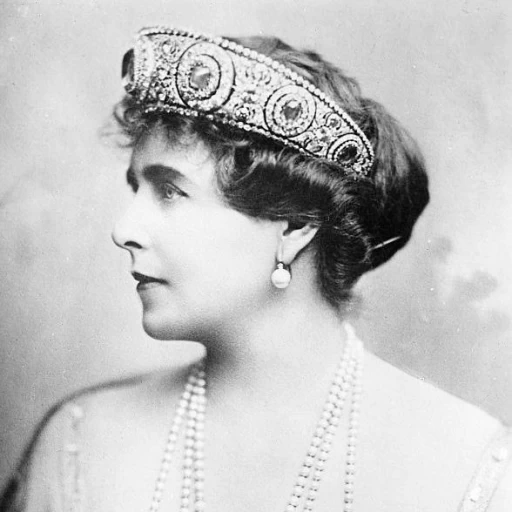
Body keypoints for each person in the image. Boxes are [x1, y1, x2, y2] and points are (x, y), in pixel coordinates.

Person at [1, 26, 511, 512]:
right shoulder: (80, 447)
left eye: (171, 191)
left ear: (294, 226)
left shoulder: (468, 468)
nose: (124, 230)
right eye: (137, 189)